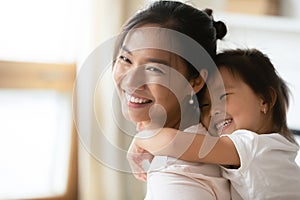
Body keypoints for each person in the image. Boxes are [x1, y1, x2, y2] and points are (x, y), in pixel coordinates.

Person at [131, 48, 300, 199]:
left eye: (223, 96)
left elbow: (176, 143)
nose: (212, 112)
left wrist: (143, 138)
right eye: (205, 105)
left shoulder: (254, 146)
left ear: (265, 100)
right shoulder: (267, 150)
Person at [112, 1, 231, 199]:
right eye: (126, 59)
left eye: (154, 69)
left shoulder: (175, 177)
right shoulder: (199, 143)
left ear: (196, 81)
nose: (131, 81)